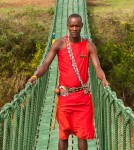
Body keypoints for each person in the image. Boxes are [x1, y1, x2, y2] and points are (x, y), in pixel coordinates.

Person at [28, 14, 109, 150]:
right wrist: (35, 76)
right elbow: (46, 63)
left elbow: (97, 67)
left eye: (77, 25)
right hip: (65, 98)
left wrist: (104, 80)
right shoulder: (59, 44)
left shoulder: (89, 46)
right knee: (63, 135)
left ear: (82, 26)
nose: (74, 28)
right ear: (67, 26)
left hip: (83, 99)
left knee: (82, 136)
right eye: (71, 26)